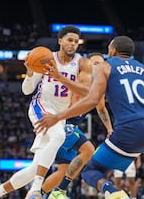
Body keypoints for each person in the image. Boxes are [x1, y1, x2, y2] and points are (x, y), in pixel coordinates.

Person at [34, 35, 144, 199]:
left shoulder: (105, 67)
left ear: (113, 50)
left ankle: (114, 193)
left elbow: (92, 100)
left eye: (109, 48)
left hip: (130, 129)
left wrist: (57, 117)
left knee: (90, 171)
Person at [0, 25, 92, 199]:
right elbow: (26, 90)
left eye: (76, 42)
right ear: (60, 41)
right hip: (41, 107)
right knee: (59, 137)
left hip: (59, 115)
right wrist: (30, 73)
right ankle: (36, 190)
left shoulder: (82, 63)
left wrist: (60, 77)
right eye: (70, 40)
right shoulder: (46, 58)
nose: (73, 44)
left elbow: (86, 91)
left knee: (34, 168)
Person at [25, 53, 114, 199]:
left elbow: (101, 109)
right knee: (88, 149)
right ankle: (58, 191)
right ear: (87, 64)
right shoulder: (82, 79)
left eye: (101, 63)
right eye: (95, 63)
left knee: (62, 171)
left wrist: (110, 129)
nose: (99, 66)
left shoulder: (97, 85)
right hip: (63, 122)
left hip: (70, 124)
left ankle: (38, 195)